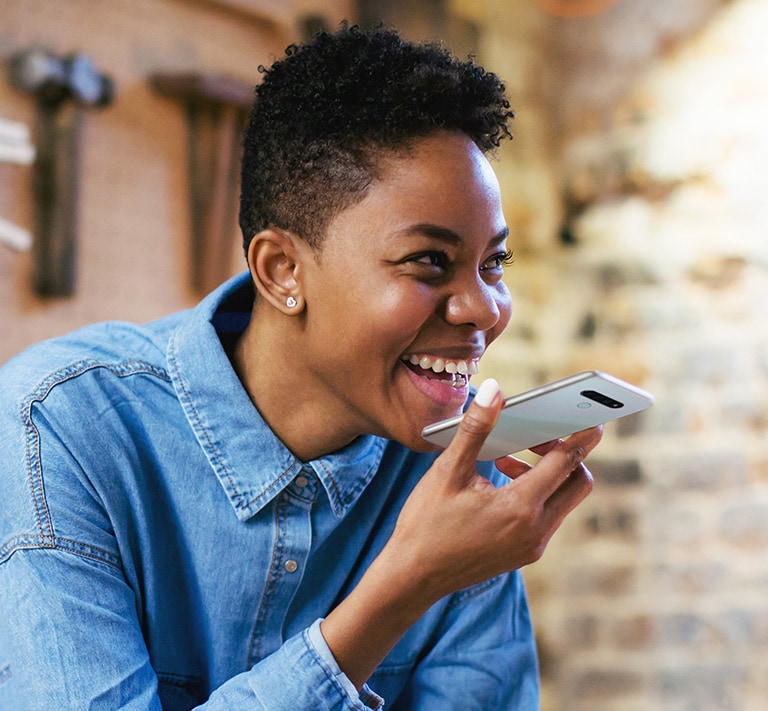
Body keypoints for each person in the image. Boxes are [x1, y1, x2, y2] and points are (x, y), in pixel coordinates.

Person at [0, 24, 601, 710]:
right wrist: (405, 584)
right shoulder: (57, 428)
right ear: (282, 270)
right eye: (430, 261)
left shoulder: (461, 477)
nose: (483, 308)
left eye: (493, 262)